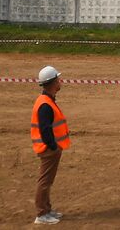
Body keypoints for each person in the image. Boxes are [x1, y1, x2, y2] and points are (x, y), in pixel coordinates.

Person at [30, 65, 70, 225]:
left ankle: (47, 209)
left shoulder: (47, 101)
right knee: (45, 181)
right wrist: (53, 146)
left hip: (50, 148)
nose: (60, 82)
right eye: (58, 79)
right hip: (48, 149)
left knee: (48, 181)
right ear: (53, 82)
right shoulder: (45, 104)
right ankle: (41, 213)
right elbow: (45, 129)